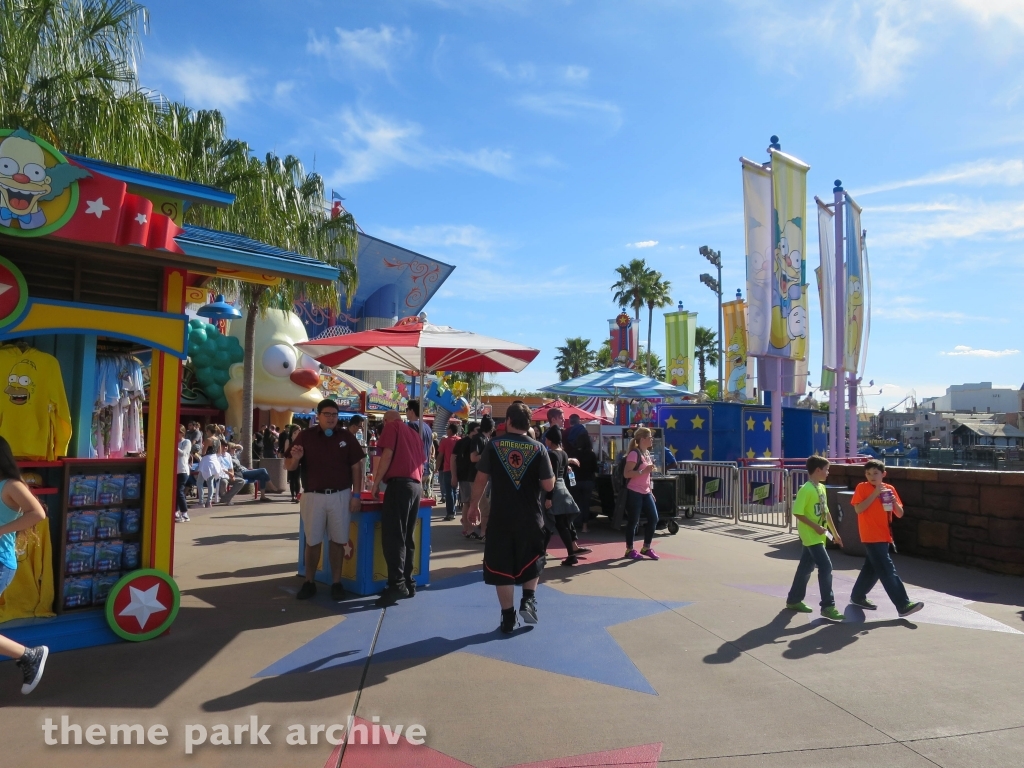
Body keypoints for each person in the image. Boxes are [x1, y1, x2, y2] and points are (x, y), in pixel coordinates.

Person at [469, 403, 555, 633]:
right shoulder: (539, 449)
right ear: (528, 424)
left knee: (501, 567)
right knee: (532, 559)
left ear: (508, 421)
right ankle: (528, 600)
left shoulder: (494, 446)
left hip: (500, 518)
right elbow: (548, 484)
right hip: (530, 517)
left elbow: (480, 479)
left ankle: (508, 617)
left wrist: (474, 506)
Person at [285, 399, 365, 602]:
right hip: (313, 496)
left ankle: (336, 583)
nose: (331, 418)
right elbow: (289, 466)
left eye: (334, 415)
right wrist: (296, 458)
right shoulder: (305, 436)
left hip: (340, 495)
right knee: (312, 541)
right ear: (318, 415)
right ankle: (309, 582)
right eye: (327, 414)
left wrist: (357, 495)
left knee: (339, 541)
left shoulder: (346, 437)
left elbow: (357, 467)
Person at [0, 437, 49, 694]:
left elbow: (37, 513)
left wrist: (0, 530)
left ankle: (29, 655)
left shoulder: (11, 485)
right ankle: (28, 655)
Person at [850, 460, 924, 617]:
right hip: (870, 535)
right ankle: (903, 604)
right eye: (868, 473)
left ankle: (857, 596)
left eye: (875, 473)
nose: (872, 476)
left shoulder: (890, 489)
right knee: (887, 569)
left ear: (883, 474)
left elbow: (899, 513)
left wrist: (893, 502)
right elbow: (858, 509)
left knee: (872, 569)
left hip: (885, 535)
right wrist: (875, 493)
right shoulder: (862, 487)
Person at [370, 409, 427, 607]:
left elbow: (386, 455)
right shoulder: (414, 434)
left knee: (393, 536)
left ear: (386, 420)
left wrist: (376, 482)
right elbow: (422, 462)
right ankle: (409, 582)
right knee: (407, 536)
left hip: (399, 485)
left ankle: (397, 584)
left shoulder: (392, 427)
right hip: (415, 486)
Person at [785, 456, 845, 621]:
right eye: (826, 469)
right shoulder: (806, 489)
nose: (828, 472)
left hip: (819, 534)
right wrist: (815, 527)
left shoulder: (821, 488)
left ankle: (794, 600)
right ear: (818, 470)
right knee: (826, 567)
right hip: (811, 535)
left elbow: (826, 513)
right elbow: (798, 512)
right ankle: (828, 606)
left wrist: (835, 533)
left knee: (806, 567)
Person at [543, 426, 592, 567]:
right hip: (562, 488)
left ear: (551, 440)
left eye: (546, 439)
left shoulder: (551, 455)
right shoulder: (564, 454)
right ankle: (568, 553)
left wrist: (549, 497)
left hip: (554, 490)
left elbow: (551, 476)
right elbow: (563, 475)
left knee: (555, 523)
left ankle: (569, 555)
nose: (545, 441)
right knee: (560, 523)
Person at [622, 427, 660, 560]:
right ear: (643, 439)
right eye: (650, 437)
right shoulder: (634, 454)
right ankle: (629, 549)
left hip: (646, 491)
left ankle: (646, 547)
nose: (652, 440)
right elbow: (626, 473)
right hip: (634, 491)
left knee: (654, 518)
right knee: (633, 521)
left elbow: (648, 475)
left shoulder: (647, 453)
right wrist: (642, 472)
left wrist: (651, 490)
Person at [454, 421, 481, 538]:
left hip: (475, 476)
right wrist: (454, 476)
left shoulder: (478, 441)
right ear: (471, 430)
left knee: (471, 502)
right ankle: (468, 529)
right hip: (465, 476)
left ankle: (468, 525)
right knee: (467, 502)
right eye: (477, 430)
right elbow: (452, 458)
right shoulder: (462, 442)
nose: (479, 432)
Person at [569, 432, 598, 533]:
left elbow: (569, 468)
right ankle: (585, 527)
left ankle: (574, 524)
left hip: (575, 480)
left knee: (575, 502)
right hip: (588, 481)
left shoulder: (573, 453)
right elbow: (595, 468)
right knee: (586, 504)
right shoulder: (591, 454)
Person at [405, 400, 434, 494]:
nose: (406, 412)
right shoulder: (427, 427)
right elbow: (430, 449)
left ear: (412, 411)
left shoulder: (411, 425)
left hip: (415, 469)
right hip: (426, 467)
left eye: (406, 409)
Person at [437, 420, 459, 520]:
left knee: (449, 490)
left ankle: (450, 512)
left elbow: (440, 456)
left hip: (448, 468)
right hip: (458, 468)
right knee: (454, 490)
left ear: (450, 430)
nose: (446, 431)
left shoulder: (445, 441)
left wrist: (436, 468)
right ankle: (453, 510)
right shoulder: (460, 440)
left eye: (447, 429)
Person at [280, 424, 301, 503]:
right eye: (295, 432)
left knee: (297, 479)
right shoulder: (288, 440)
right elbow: (285, 453)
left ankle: (298, 495)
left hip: (299, 462)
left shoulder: (301, 440)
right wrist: (284, 463)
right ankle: (293, 495)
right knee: (291, 479)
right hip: (290, 461)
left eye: (299, 432)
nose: (297, 434)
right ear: (292, 433)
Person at [198, 443, 223, 507]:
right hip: (214, 460)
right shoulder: (218, 440)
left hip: (206, 461)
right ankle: (209, 501)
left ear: (208, 432)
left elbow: (203, 453)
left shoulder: (208, 440)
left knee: (199, 482)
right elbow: (219, 453)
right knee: (210, 483)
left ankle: (201, 502)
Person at [175, 425, 192, 523]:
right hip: (174, 470)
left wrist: (173, 445)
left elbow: (183, 453)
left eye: (177, 432)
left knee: (179, 491)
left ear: (182, 432)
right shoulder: (176, 443)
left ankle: (185, 513)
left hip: (183, 470)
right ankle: (175, 512)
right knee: (175, 492)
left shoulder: (186, 442)